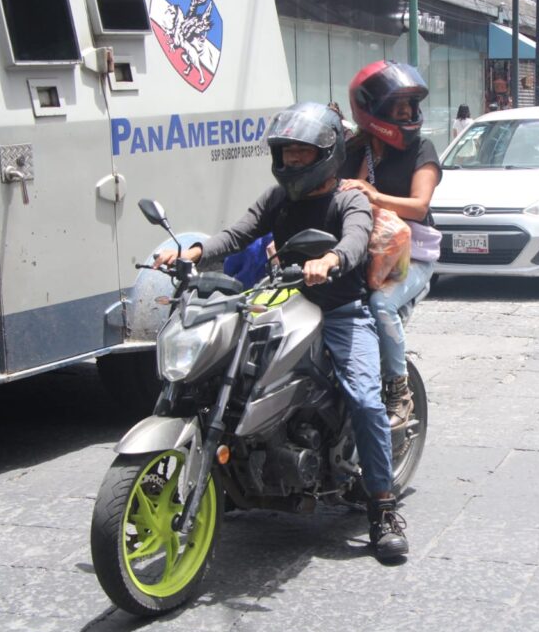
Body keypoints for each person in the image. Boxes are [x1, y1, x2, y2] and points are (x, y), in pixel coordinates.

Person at [152, 102, 409, 560]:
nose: (291, 162)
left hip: (341, 310)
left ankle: (382, 507)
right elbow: (237, 233)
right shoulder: (278, 199)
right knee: (221, 376)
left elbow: (354, 238)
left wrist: (331, 260)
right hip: (280, 302)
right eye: (286, 153)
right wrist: (193, 252)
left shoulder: (349, 198)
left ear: (327, 153)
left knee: (367, 400)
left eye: (301, 154)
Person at [340, 60, 442, 429]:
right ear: (374, 110)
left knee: (381, 305)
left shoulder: (421, 149)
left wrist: (373, 194)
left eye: (411, 108)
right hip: (361, 254)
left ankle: (399, 390)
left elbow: (419, 206)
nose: (409, 115)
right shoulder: (352, 152)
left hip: (410, 258)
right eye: (399, 108)